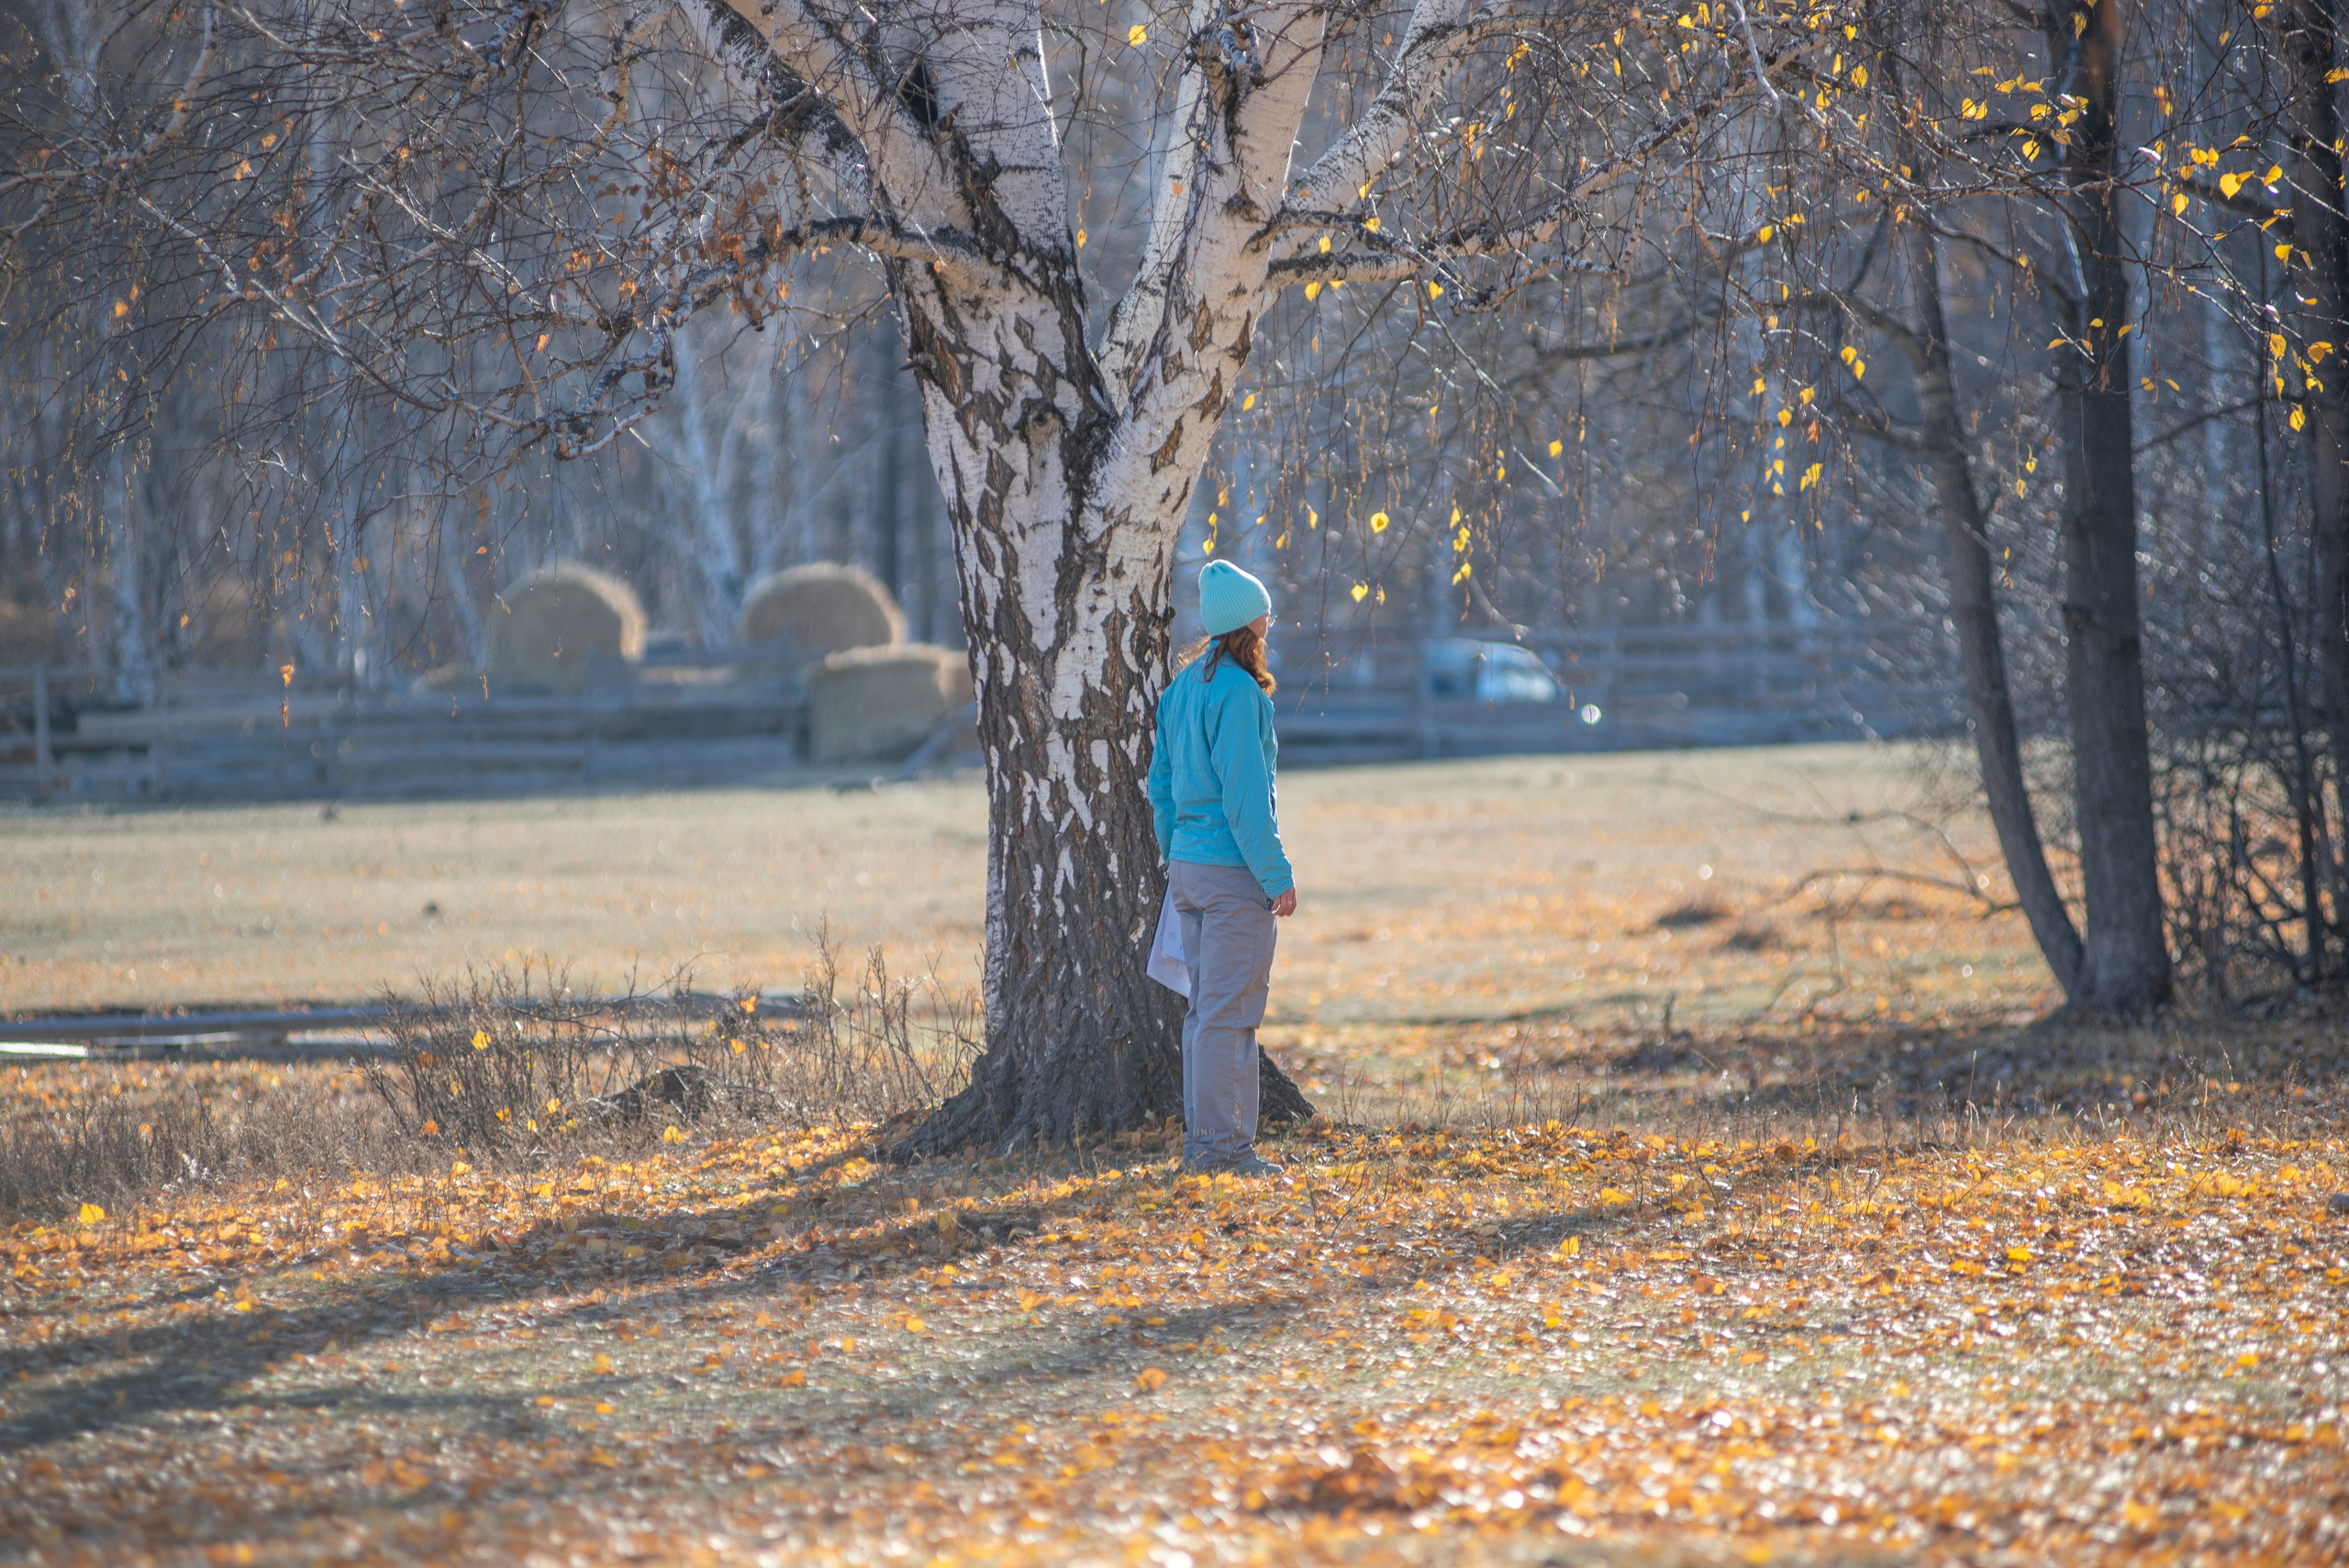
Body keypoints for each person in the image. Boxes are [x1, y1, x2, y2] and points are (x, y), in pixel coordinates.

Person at [1146, 559, 1297, 1177]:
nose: (1271, 620)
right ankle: (1220, 1151)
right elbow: (1244, 798)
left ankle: (1211, 1145)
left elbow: (1160, 787)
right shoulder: (1237, 695)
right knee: (1228, 1015)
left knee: (1205, 1013)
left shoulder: (1182, 689)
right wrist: (1275, 873)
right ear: (1248, 622)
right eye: (1266, 611)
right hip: (1232, 873)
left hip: (1188, 867)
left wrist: (1174, 850)